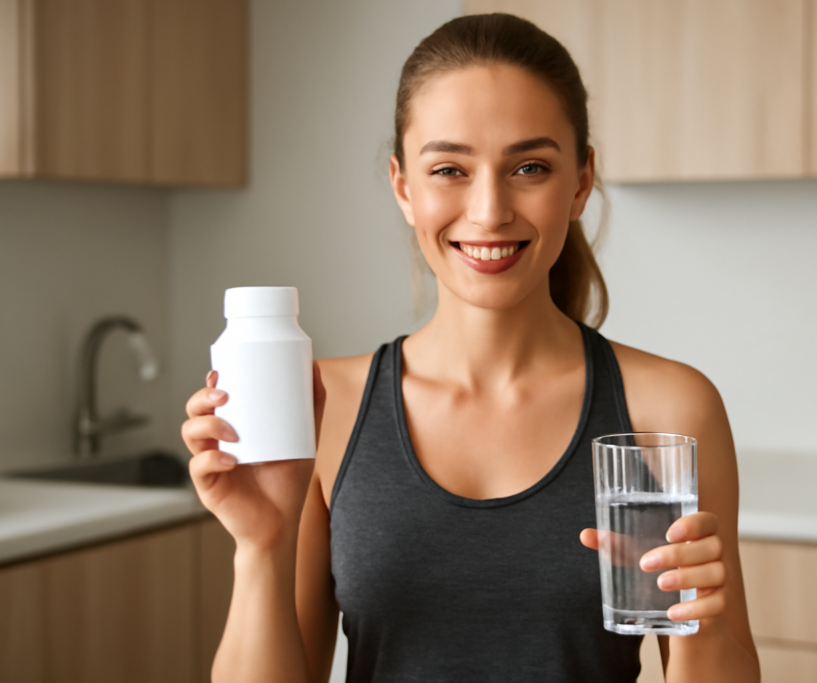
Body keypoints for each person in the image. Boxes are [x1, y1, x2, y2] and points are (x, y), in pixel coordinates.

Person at [182, 13, 759, 683]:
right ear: (404, 186)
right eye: (451, 168)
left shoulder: (670, 410)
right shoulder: (325, 405)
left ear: (579, 182)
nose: (489, 210)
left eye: (530, 167)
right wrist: (261, 545)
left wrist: (699, 620)